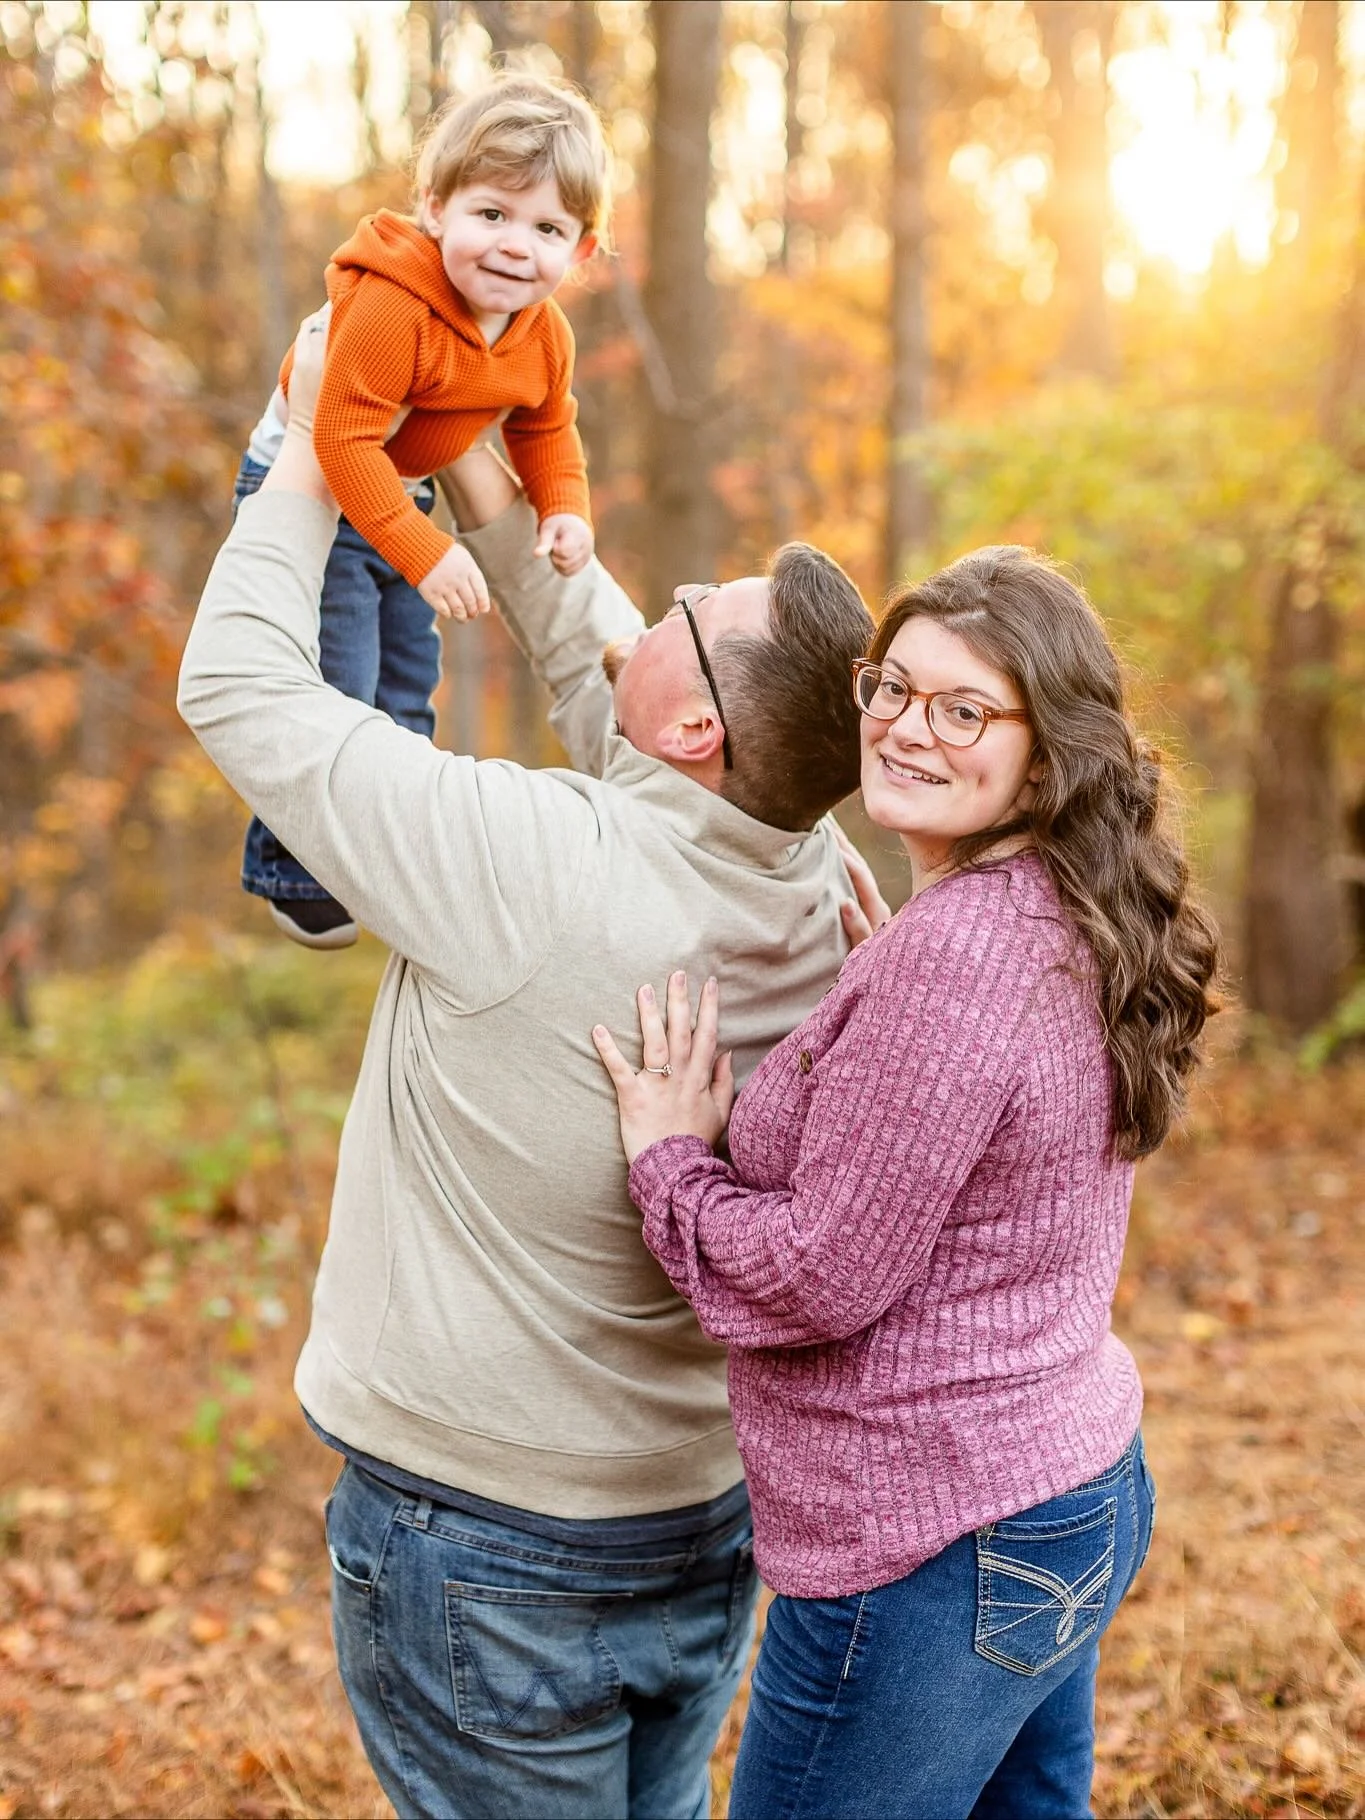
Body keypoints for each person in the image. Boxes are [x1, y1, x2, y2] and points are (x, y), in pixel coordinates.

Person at [177, 312, 878, 1820]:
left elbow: (238, 690)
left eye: (701, 609)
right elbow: (606, 655)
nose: (671, 591)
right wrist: (471, 442)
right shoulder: (809, 865)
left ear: (695, 727)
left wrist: (314, 446)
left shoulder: (530, 862)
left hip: (483, 1549)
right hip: (696, 1516)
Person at [593, 549, 1222, 1820]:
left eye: (963, 710)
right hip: (1067, 1486)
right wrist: (889, 1020)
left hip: (934, 1543)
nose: (904, 728)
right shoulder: (1067, 902)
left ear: (1047, 753)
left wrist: (671, 1157)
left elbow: (821, 1275)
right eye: (892, 687)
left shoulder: (957, 962)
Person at [239, 72, 608, 948]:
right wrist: (426, 552)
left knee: (408, 677)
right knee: (341, 676)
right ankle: (292, 867)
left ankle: (384, 842)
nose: (517, 247)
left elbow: (547, 427)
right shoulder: (391, 307)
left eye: (547, 229)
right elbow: (340, 444)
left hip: (397, 493)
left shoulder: (540, 331)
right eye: (493, 214)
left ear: (581, 252)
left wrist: (563, 507)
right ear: (436, 207)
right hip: (311, 490)